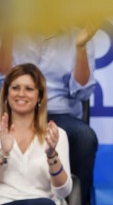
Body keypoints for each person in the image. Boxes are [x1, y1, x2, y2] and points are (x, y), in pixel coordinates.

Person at [0, 26, 98, 204]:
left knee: (84, 137)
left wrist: (80, 47)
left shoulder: (79, 33)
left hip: (59, 112)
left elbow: (82, 92)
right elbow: (3, 79)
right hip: (11, 112)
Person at [0, 63, 73, 204]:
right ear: (7, 94)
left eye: (29, 89)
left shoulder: (55, 136)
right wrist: (4, 153)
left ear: (39, 96)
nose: (21, 94)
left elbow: (63, 191)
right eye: (15, 88)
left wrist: (51, 155)